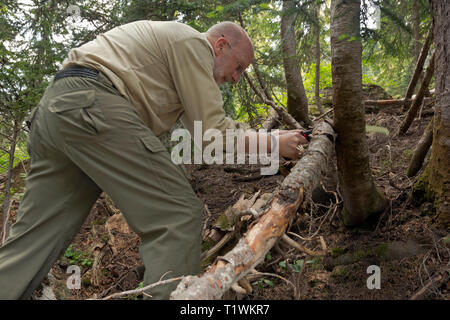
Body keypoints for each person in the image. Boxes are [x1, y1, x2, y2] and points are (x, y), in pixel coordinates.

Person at [0, 20, 307, 299]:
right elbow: (213, 134)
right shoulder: (193, 44)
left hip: (56, 112)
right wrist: (272, 144)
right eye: (238, 67)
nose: (236, 79)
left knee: (35, 237)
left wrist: (275, 140)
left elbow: (205, 137)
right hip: (93, 106)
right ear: (220, 45)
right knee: (177, 215)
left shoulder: (173, 56)